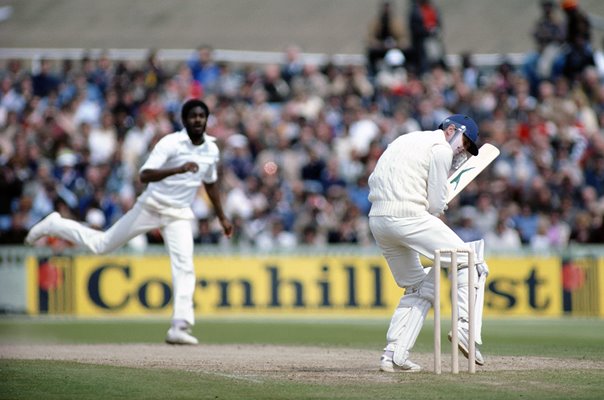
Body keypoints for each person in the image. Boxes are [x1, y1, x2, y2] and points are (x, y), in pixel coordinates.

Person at [25, 99, 234, 345]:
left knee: (185, 266)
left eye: (201, 116)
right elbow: (144, 174)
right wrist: (177, 170)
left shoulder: (211, 149)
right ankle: (55, 224)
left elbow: (210, 183)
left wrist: (221, 216)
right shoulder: (170, 143)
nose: (197, 120)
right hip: (151, 206)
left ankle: (179, 326)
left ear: (206, 119)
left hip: (178, 213)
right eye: (193, 116)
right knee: (102, 245)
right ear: (184, 120)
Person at [368, 114, 488, 372]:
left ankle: (394, 354)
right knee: (469, 261)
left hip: (378, 218)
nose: (462, 149)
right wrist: (440, 201)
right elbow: (435, 204)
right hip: (408, 215)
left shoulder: (404, 139)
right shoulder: (440, 149)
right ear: (451, 129)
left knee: (419, 286)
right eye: (464, 142)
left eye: (467, 147)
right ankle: (464, 329)